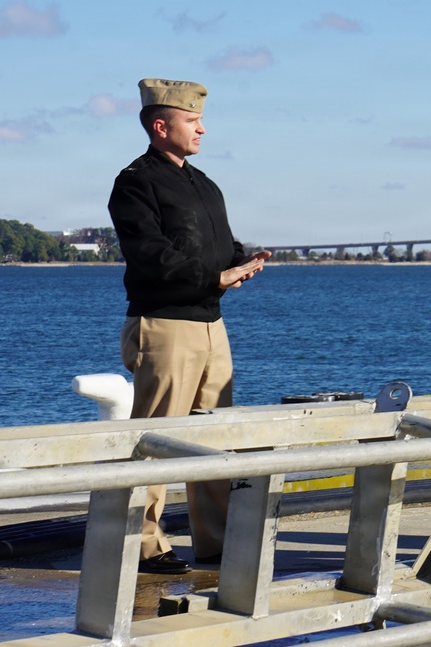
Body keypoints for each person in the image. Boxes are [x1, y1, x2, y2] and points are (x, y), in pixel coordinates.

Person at [108, 78, 272, 575]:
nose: (202, 127)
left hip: (210, 324)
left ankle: (216, 543)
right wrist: (214, 275)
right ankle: (143, 546)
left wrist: (241, 260)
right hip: (164, 326)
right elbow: (150, 255)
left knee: (212, 439)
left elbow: (212, 243)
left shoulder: (203, 183)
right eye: (191, 120)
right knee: (155, 442)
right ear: (161, 126)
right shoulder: (135, 182)